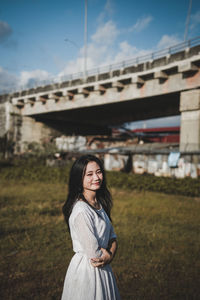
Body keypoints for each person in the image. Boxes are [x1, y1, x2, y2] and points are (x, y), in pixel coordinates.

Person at [61, 154, 120, 300]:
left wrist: (109, 256)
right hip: (88, 272)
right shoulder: (81, 210)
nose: (96, 177)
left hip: (104, 268)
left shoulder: (99, 204)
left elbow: (113, 237)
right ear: (79, 179)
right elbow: (94, 254)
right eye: (89, 174)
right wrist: (107, 255)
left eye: (99, 172)